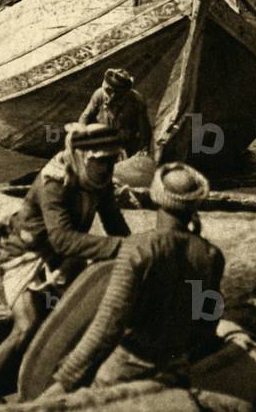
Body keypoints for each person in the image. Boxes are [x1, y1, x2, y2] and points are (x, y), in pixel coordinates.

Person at [0, 123, 130, 405]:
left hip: (63, 257)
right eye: (101, 161)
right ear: (83, 156)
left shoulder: (99, 180)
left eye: (112, 160)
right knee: (27, 325)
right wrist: (122, 247)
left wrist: (137, 249)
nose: (108, 167)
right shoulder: (54, 182)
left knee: (82, 317)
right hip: (23, 255)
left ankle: (64, 384)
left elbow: (115, 225)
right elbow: (61, 238)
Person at [42, 163, 225, 395]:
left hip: (127, 367)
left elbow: (108, 327)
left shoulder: (138, 249)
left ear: (156, 197)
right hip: (175, 366)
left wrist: (64, 381)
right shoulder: (210, 255)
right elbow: (207, 321)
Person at [78, 68, 152, 158]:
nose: (108, 96)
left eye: (112, 92)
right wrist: (80, 135)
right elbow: (85, 116)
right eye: (106, 90)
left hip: (126, 144)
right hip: (103, 141)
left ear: (123, 92)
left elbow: (144, 130)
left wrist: (143, 149)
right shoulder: (99, 94)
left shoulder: (137, 100)